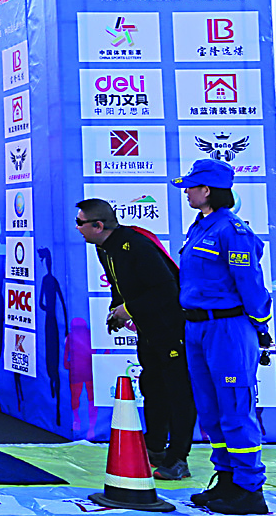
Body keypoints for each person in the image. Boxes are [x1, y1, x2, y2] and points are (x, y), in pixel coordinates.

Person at [174, 159, 275, 515]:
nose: (186, 192)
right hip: (198, 328)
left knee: (234, 405)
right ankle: (227, 479)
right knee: (210, 408)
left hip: (228, 329)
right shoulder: (200, 226)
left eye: (191, 186)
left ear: (208, 190)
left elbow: (250, 283)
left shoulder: (233, 231)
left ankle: (249, 488)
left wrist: (260, 324)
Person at [75, 197, 194, 480]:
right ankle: (155, 447)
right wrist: (116, 311)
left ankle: (179, 457)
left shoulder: (135, 244)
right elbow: (119, 285)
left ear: (98, 225)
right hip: (148, 328)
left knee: (178, 392)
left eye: (80, 223)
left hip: (171, 328)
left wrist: (128, 309)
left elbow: (167, 290)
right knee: (152, 386)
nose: (77, 228)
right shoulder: (105, 248)